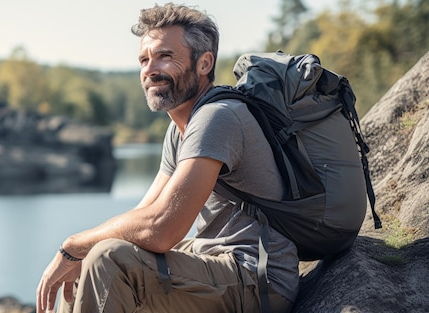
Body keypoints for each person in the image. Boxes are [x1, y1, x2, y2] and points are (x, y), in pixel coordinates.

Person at [36, 3, 299, 313]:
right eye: (144, 60)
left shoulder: (218, 118)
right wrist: (82, 251)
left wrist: (73, 245)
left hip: (259, 279)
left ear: (204, 64)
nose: (149, 70)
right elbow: (145, 214)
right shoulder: (179, 130)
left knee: (107, 259)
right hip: (218, 265)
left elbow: (161, 229)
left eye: (164, 56)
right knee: (90, 260)